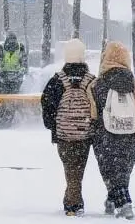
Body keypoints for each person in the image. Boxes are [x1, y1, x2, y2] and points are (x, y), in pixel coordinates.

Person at [87, 41, 135, 220]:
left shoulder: (98, 84)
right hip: (130, 138)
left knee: (110, 172)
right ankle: (111, 201)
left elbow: (93, 113)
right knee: (122, 172)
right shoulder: (134, 84)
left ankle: (125, 204)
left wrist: (90, 136)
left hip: (106, 138)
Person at [41, 38, 96, 217]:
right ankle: (74, 202)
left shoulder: (57, 80)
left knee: (70, 169)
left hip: (63, 135)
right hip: (84, 133)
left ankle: (72, 203)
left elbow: (47, 104)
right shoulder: (90, 80)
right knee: (78, 169)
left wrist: (53, 127)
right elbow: (97, 105)